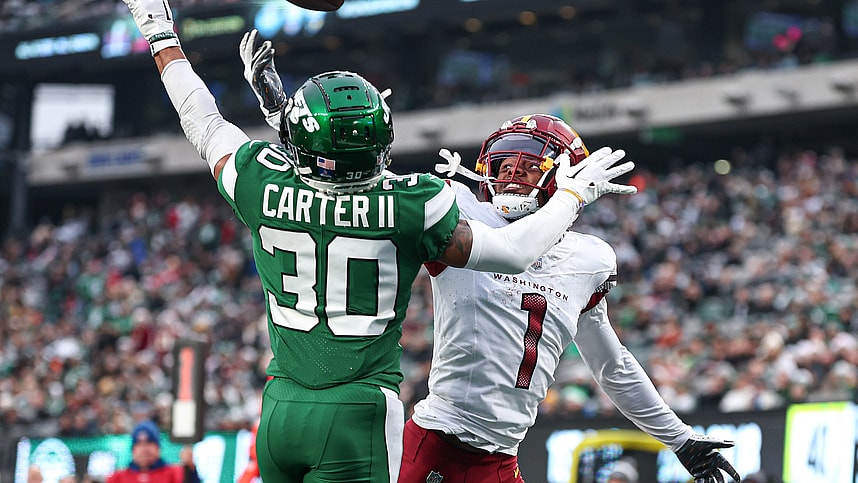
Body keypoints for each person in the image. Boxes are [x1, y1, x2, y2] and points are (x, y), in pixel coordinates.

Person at [121, 4, 637, 481]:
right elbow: (514, 252)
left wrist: (160, 33)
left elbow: (202, 119)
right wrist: (572, 194)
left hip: (280, 408)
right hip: (358, 412)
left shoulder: (261, 180)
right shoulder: (412, 203)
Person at [238, 32, 741, 483]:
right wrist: (286, 120)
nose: (511, 176)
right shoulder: (459, 210)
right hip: (432, 444)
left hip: (501, 461)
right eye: (503, 165)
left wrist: (681, 440)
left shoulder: (589, 259)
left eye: (529, 166)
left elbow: (612, 365)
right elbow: (358, 186)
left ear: (568, 173)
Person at [106, 420, 200, 483]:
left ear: (158, 447)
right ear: (133, 449)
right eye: (139, 444)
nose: (144, 449)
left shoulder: (175, 473)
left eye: (149, 443)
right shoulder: (117, 478)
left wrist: (191, 470)